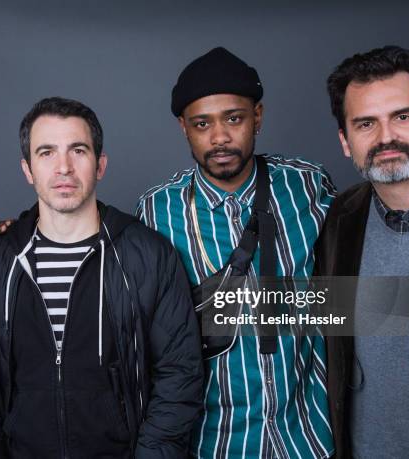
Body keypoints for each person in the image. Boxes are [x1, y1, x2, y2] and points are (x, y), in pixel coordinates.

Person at [0, 97, 203, 458]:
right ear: (28, 169)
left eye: (78, 150)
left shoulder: (147, 255)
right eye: (46, 153)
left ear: (100, 164)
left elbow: (179, 373)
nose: (64, 167)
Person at [136, 47, 335, 458]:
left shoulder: (309, 186)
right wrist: (15, 231)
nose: (220, 137)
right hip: (215, 441)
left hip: (309, 435)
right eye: (202, 124)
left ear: (257, 117)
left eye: (234, 118)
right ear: (183, 128)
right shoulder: (156, 210)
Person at [318, 45, 409, 458]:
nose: (386, 137)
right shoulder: (341, 215)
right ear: (345, 141)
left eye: (402, 116)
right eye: (365, 124)